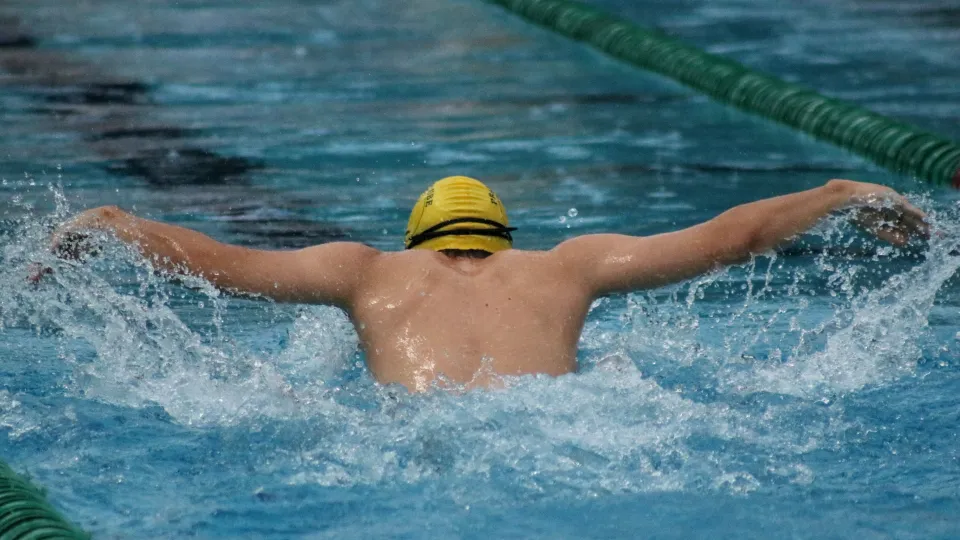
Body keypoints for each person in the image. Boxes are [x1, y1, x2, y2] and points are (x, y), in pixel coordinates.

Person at [45, 176, 928, 392]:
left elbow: (216, 264)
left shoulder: (364, 272)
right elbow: (729, 240)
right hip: (568, 429)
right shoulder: (569, 265)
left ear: (416, 239)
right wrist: (838, 195)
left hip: (413, 445)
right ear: (503, 237)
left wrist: (113, 224)